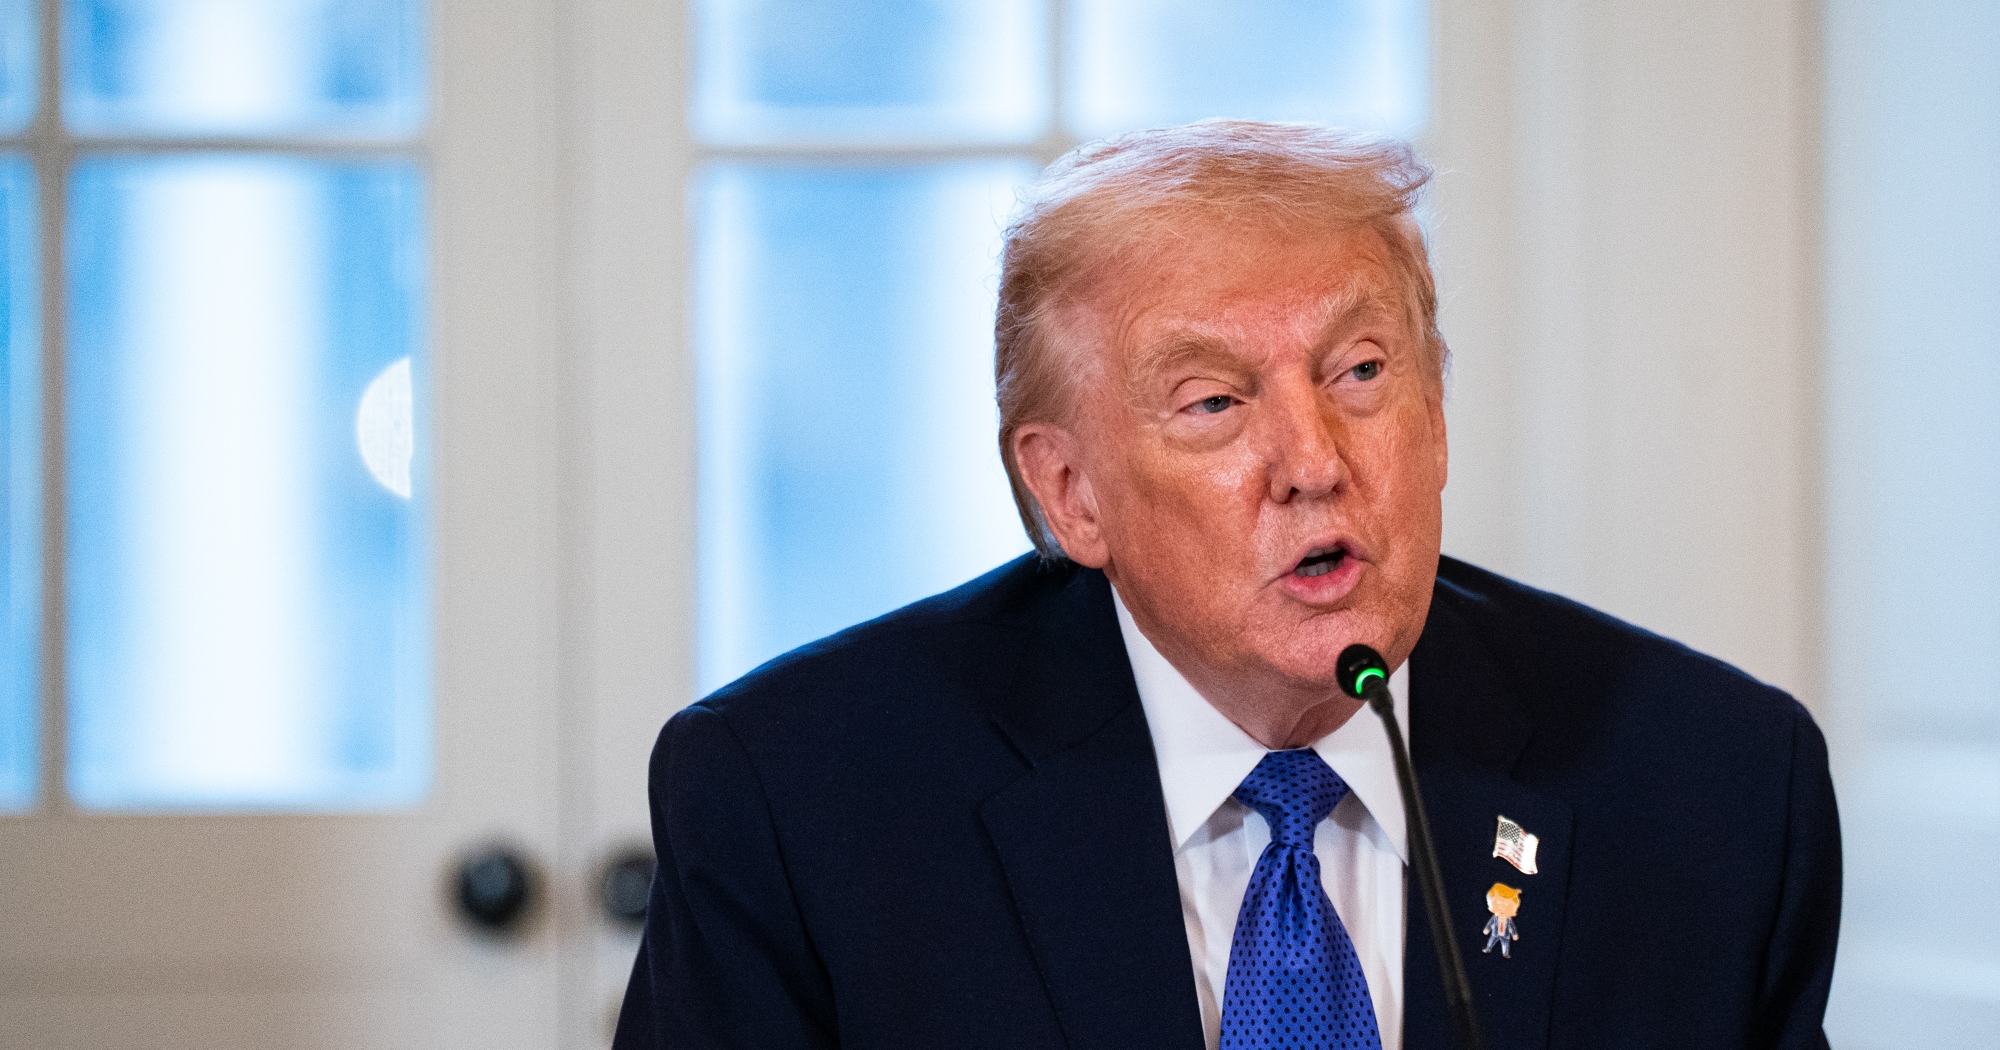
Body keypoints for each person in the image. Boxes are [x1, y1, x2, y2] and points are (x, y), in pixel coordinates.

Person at [613, 121, 1840, 1050]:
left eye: (1360, 372)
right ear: (1069, 493)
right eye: (1213, 402)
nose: (1314, 462)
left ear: (1438, 413)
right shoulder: (800, 797)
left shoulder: (1712, 786)